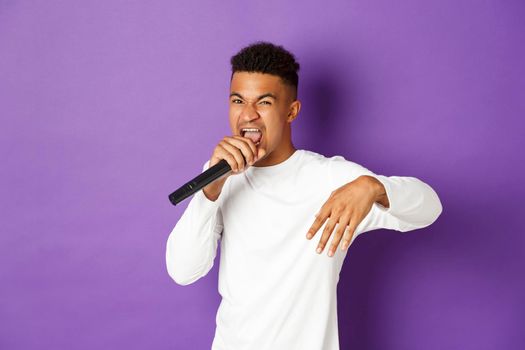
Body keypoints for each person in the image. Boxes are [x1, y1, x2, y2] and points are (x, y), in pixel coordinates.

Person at [166, 41, 443, 350]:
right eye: (238, 100)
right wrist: (210, 190)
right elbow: (183, 270)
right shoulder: (220, 176)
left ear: (292, 111)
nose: (248, 115)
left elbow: (430, 207)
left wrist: (373, 187)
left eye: (265, 102)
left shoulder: (330, 178)